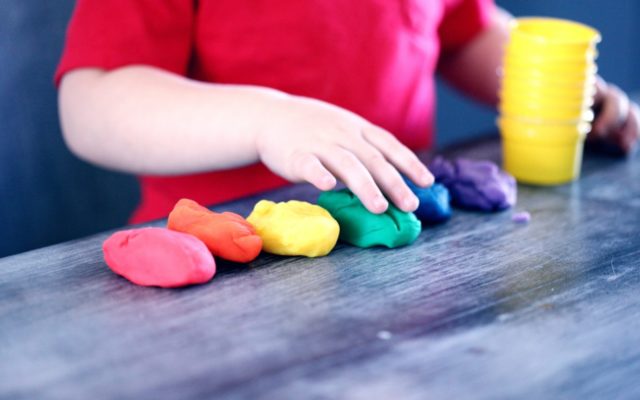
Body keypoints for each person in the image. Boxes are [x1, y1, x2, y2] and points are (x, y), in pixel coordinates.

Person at [56, 0, 640, 224]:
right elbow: (92, 103)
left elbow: (463, 33)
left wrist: (560, 92)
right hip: (219, 259)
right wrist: (266, 121)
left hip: (402, 245)